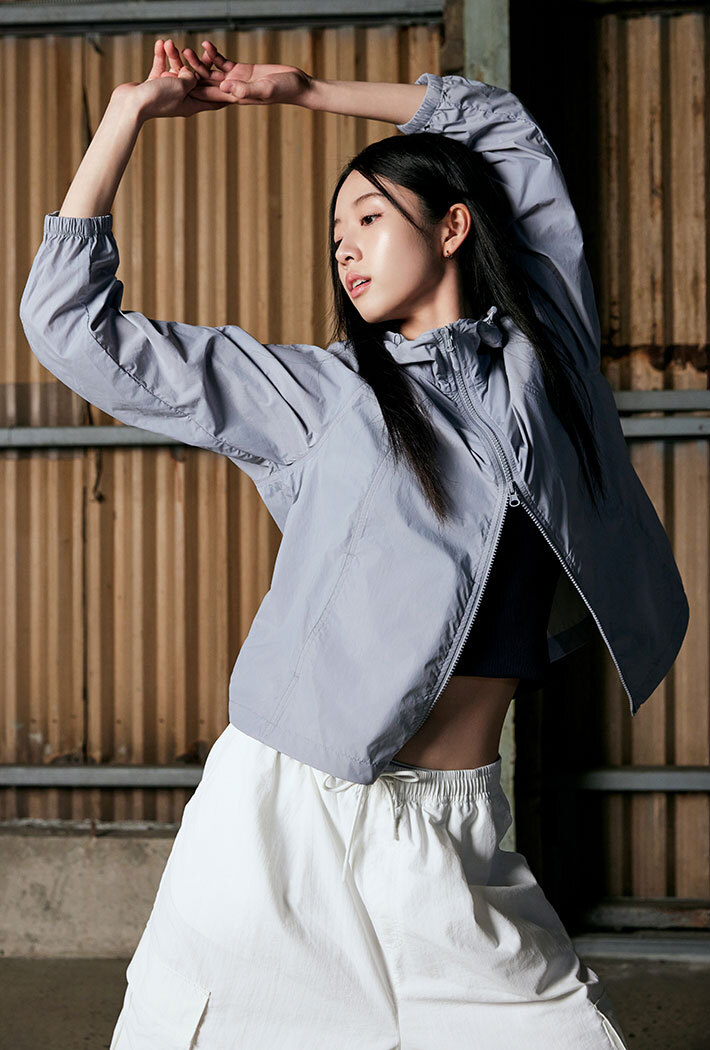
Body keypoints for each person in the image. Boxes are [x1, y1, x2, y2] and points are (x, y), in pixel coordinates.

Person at [19, 38, 688, 1049]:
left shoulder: (542, 359)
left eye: (369, 218)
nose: (345, 248)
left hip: (456, 833)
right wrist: (126, 114)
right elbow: (71, 329)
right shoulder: (322, 397)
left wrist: (303, 92)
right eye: (336, 234)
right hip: (282, 825)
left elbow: (500, 127)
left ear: (453, 226)